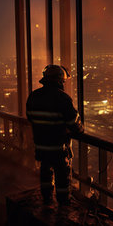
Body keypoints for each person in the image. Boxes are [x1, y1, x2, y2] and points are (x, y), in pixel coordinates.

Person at [26, 64, 84, 205]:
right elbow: (73, 123)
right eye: (63, 81)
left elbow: (30, 117)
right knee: (62, 177)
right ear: (59, 80)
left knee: (45, 172)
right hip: (58, 147)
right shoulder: (62, 98)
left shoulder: (34, 96)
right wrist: (80, 129)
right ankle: (63, 206)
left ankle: (47, 200)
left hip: (41, 146)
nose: (63, 83)